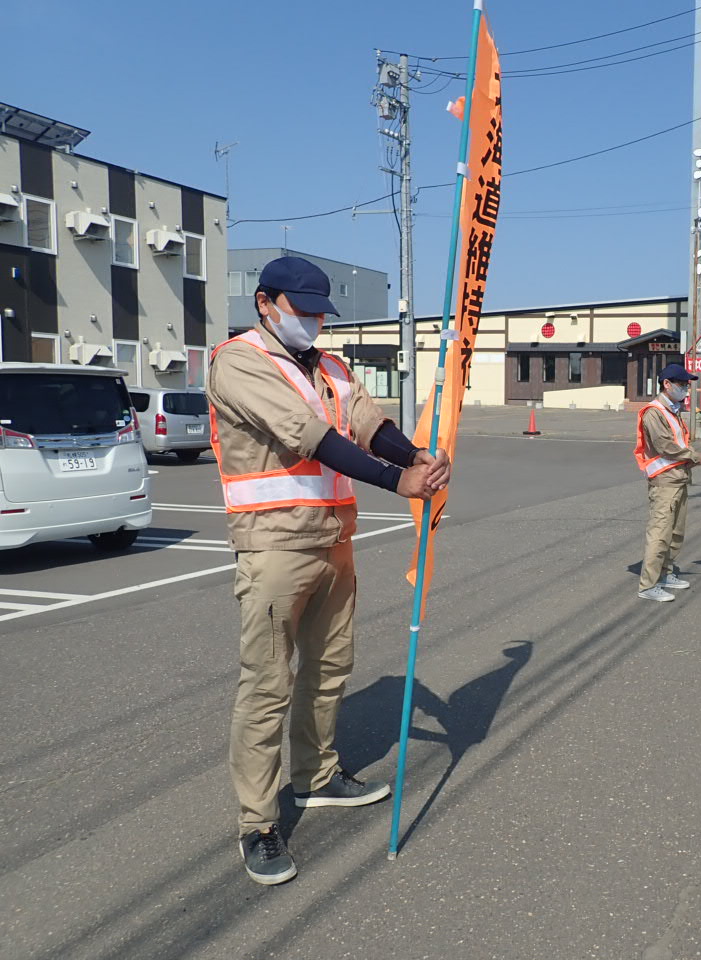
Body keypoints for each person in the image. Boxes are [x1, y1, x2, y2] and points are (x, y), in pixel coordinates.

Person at [207, 256, 451, 886]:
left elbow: (368, 424)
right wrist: (400, 481)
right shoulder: (238, 362)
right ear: (266, 303)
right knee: (267, 685)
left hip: (335, 540)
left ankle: (316, 775)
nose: (313, 323)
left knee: (331, 667)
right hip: (274, 547)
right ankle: (257, 823)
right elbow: (307, 435)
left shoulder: (335, 367)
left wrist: (415, 454)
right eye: (303, 311)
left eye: (320, 313)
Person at [635, 363, 701, 602]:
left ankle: (666, 573)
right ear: (666, 384)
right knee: (660, 533)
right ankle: (648, 585)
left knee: (676, 532)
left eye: (687, 384)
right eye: (682, 384)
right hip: (664, 481)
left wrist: (690, 459)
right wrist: (693, 456)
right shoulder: (653, 411)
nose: (686, 388)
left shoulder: (672, 410)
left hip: (679, 478)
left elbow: (679, 443)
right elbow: (665, 446)